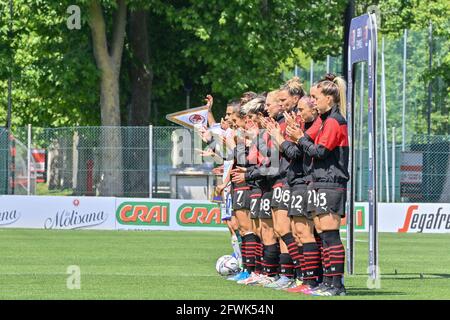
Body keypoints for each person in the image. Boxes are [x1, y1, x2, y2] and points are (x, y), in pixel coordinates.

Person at [288, 74, 349, 296]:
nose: (313, 102)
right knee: (323, 233)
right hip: (320, 181)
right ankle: (327, 283)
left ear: (329, 99)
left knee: (330, 234)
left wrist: (300, 139)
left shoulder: (334, 121)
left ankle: (337, 285)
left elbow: (321, 152)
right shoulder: (325, 121)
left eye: (315, 97)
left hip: (331, 182)